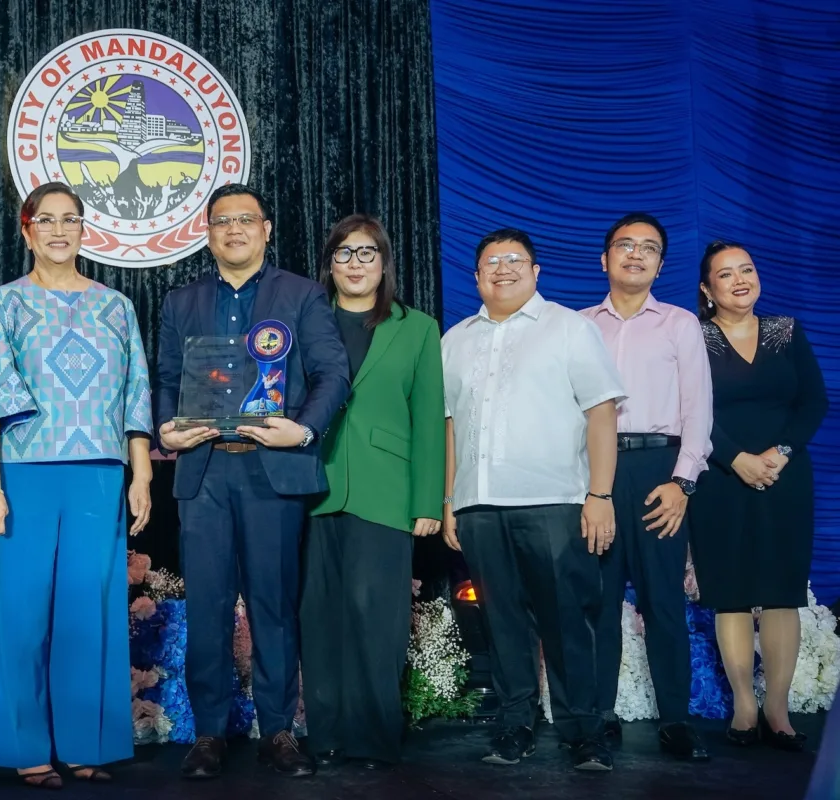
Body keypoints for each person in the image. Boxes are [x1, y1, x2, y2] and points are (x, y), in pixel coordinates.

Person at [0, 182, 154, 788]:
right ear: (27, 229)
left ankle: (84, 742)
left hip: (98, 474)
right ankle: (23, 748)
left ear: (84, 229)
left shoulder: (115, 307)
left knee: (86, 613)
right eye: (48, 220)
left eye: (71, 219)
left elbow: (135, 396)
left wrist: (140, 469)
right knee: (16, 613)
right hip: (22, 474)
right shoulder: (6, 304)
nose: (60, 230)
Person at [155, 184, 349, 779]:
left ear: (266, 229)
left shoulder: (303, 294)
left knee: (273, 604)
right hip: (207, 468)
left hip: (273, 471)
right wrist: (166, 427)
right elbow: (165, 377)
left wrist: (305, 431)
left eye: (246, 220)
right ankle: (209, 733)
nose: (233, 230)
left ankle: (280, 730)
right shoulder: (180, 301)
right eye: (221, 222)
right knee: (208, 605)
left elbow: (333, 373)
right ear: (207, 233)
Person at [440, 228, 624, 772]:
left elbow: (601, 412)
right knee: (502, 622)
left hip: (555, 502)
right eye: (491, 261)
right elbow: (450, 426)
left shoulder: (569, 328)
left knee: (566, 619)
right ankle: (514, 725)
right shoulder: (456, 340)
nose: (503, 268)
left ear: (536, 271)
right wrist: (451, 499)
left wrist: (600, 494)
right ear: (475, 276)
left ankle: (584, 731)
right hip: (479, 504)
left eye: (515, 259)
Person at [300, 214, 445, 769]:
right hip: (313, 488)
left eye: (367, 253)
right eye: (344, 253)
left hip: (387, 489)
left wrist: (426, 501)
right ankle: (327, 733)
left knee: (375, 614)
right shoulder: (306, 323)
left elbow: (429, 418)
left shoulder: (418, 327)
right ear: (329, 264)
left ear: (383, 263)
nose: (355, 263)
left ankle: (374, 735)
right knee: (320, 615)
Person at [581, 213, 711, 761]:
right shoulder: (579, 326)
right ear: (605, 258)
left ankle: (675, 720)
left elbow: (698, 409)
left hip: (659, 472)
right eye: (625, 245)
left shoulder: (680, 324)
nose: (636, 254)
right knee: (599, 601)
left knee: (662, 602)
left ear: (660, 263)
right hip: (597, 476)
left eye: (649, 248)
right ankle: (599, 714)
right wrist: (587, 488)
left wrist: (682, 482)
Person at [690, 240, 827, 752]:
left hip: (785, 477)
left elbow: (813, 401)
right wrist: (737, 460)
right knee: (731, 591)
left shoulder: (786, 332)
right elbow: (689, 410)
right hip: (720, 479)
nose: (740, 280)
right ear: (708, 289)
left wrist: (781, 453)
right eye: (726, 275)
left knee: (780, 591)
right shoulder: (694, 337)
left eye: (746, 269)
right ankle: (745, 706)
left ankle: (777, 709)